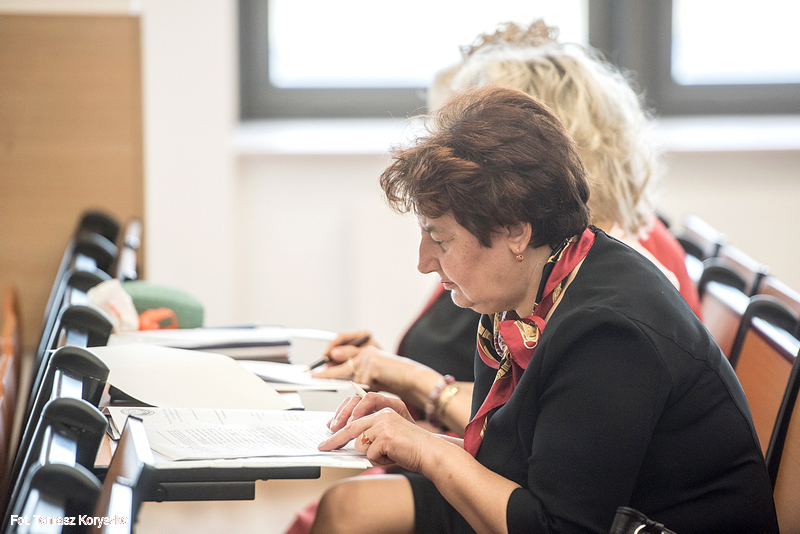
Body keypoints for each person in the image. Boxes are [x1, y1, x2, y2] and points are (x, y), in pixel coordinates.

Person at [310, 85, 777, 533]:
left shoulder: (609, 334)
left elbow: (558, 525)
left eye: (441, 239)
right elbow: (522, 466)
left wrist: (429, 451)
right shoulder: (538, 288)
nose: (423, 262)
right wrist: (413, 437)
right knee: (350, 508)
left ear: (516, 231)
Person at [315, 20, 701, 436]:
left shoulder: (593, 275)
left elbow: (531, 433)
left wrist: (418, 384)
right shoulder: (510, 254)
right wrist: (394, 374)